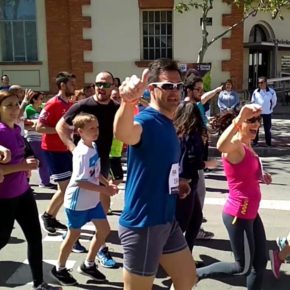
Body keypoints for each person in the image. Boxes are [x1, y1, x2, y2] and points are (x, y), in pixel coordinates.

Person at [114, 58, 197, 290]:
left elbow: (159, 164)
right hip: (144, 224)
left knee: (187, 279)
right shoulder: (146, 120)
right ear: (151, 89)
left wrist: (176, 183)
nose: (174, 92)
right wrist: (127, 102)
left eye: (178, 86)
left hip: (166, 220)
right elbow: (124, 133)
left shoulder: (168, 122)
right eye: (167, 86)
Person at [197, 104, 271, 290]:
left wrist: (261, 175)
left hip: (251, 213)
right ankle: (195, 274)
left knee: (260, 262)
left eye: (258, 121)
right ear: (239, 124)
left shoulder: (247, 144)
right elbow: (221, 145)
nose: (256, 124)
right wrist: (239, 119)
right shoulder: (235, 146)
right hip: (239, 213)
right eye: (251, 121)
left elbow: (244, 173)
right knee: (242, 267)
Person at [56, 71, 119, 267]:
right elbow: (60, 126)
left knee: (103, 204)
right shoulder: (83, 105)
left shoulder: (116, 107)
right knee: (83, 197)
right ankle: (78, 237)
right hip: (85, 157)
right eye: (99, 84)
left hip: (104, 158)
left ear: (112, 87)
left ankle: (96, 245)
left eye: (107, 85)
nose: (102, 88)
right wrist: (72, 147)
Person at [0, 91, 61, 290]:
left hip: (23, 193)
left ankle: (39, 284)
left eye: (17, 104)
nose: (14, 109)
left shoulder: (16, 130)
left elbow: (24, 155)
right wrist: (24, 167)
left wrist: (28, 164)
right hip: (5, 198)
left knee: (35, 238)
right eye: (8, 105)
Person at [51, 113, 118, 285]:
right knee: (74, 235)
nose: (96, 131)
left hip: (92, 201)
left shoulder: (93, 146)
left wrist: (107, 183)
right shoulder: (81, 153)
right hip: (77, 203)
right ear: (80, 132)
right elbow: (81, 182)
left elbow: (96, 172)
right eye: (91, 129)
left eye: (97, 127)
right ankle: (59, 268)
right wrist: (105, 189)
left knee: (104, 230)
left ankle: (88, 264)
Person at [174, 102, 217, 256]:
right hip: (187, 182)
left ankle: (185, 255)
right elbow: (193, 160)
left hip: (180, 179)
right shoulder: (193, 134)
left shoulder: (178, 132)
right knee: (183, 223)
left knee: (195, 219)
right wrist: (208, 164)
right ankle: (176, 258)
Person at [36, 72, 75, 237]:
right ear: (62, 85)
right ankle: (47, 216)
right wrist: (61, 131)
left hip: (66, 149)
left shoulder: (69, 104)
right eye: (71, 84)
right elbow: (39, 127)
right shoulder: (52, 104)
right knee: (65, 188)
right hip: (53, 150)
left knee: (68, 187)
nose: (74, 87)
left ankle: (51, 216)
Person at [24, 92, 51, 187]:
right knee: (42, 161)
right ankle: (44, 182)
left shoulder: (42, 108)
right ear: (34, 100)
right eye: (40, 98)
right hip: (33, 138)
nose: (42, 100)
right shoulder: (28, 109)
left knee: (38, 161)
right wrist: (34, 124)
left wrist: (34, 124)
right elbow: (25, 124)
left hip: (42, 138)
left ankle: (26, 182)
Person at [251, 76, 277, 146]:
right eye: (259, 83)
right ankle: (255, 142)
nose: (260, 84)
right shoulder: (255, 91)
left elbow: (274, 102)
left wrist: (269, 108)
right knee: (255, 128)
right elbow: (252, 102)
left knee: (267, 129)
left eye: (262, 82)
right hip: (257, 113)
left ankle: (268, 143)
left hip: (267, 113)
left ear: (266, 83)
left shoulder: (271, 92)